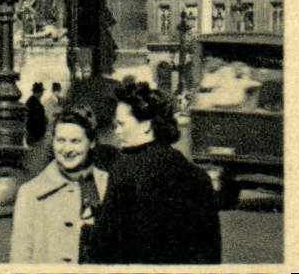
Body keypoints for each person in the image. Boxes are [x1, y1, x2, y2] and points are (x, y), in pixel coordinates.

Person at [92, 81, 222, 264]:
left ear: (146, 125)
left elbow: (106, 243)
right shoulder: (196, 174)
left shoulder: (125, 169)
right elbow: (210, 250)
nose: (117, 132)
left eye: (121, 124)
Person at [10, 107, 109, 264]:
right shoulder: (30, 193)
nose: (67, 150)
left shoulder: (108, 186)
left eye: (75, 141)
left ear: (91, 143)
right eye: (61, 140)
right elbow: (20, 258)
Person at [25, 82, 49, 147]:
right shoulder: (32, 103)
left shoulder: (35, 102)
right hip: (34, 134)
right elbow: (32, 119)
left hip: (37, 134)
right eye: (41, 92)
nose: (42, 94)